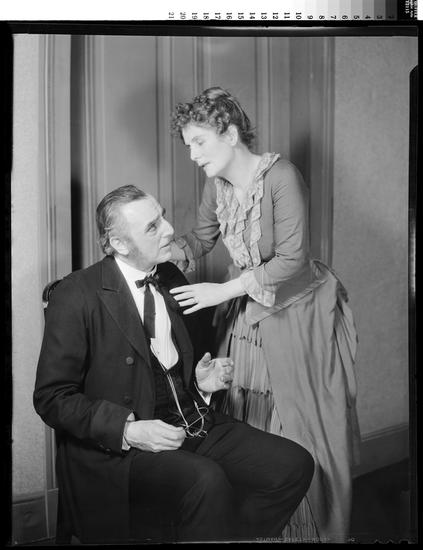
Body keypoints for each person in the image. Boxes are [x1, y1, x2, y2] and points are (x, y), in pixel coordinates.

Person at [33, 185, 314, 545]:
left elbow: (168, 371)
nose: (169, 230)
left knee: (293, 465)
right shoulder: (76, 295)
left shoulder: (169, 276)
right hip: (124, 448)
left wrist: (200, 383)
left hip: (191, 421)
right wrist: (128, 431)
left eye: (162, 216)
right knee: (206, 481)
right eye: (152, 227)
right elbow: (51, 397)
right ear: (119, 244)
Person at [169, 87, 361, 543]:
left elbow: (292, 259)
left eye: (199, 142)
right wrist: (156, 250)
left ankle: (306, 533)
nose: (192, 155)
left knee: (296, 416)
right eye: (188, 145)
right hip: (248, 309)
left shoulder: (281, 176)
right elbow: (200, 239)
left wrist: (222, 291)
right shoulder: (217, 184)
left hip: (297, 310)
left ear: (230, 134)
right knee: (244, 411)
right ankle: (258, 529)